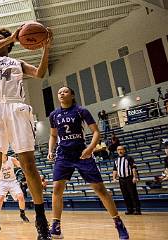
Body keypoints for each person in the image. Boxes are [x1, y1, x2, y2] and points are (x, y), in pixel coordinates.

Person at [0, 25, 53, 240]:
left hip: (16, 108)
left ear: (11, 43)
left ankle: (41, 222)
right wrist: (10, 37)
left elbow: (40, 74)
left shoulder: (18, 63)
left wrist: (45, 48)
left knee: (29, 165)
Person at [47, 86, 129, 240]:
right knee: (57, 188)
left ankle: (118, 222)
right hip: (63, 155)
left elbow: (96, 132)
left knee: (100, 189)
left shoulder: (81, 111)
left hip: (82, 154)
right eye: (59, 92)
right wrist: (51, 150)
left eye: (65, 91)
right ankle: (55, 227)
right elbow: (53, 135)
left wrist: (91, 148)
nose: (61, 93)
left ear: (72, 95)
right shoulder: (53, 115)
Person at [0, 154, 29, 228]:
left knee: (21, 196)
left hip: (12, 181)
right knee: (0, 198)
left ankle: (22, 214)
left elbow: (20, 165)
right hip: (2, 182)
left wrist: (24, 165)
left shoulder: (11, 159)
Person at [112, 146, 141, 215]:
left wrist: (134, 177)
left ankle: (137, 209)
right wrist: (114, 178)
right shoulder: (116, 160)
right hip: (121, 179)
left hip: (129, 178)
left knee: (133, 194)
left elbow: (133, 168)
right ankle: (129, 209)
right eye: (118, 149)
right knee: (125, 195)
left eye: (121, 149)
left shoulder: (129, 158)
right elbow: (115, 169)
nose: (120, 151)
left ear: (124, 150)